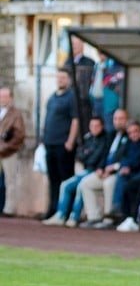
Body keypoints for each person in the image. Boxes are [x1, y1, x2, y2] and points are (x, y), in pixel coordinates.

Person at [42, 116, 110, 227]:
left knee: (81, 186)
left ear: (102, 126)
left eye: (97, 126)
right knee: (65, 185)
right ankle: (61, 215)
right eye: (92, 126)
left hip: (96, 171)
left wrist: (88, 154)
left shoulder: (105, 140)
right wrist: (87, 154)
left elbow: (96, 157)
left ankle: (74, 217)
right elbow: (80, 154)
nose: (94, 128)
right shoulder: (88, 138)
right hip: (87, 170)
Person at [90, 119, 140, 229]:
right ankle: (119, 213)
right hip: (127, 172)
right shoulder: (128, 143)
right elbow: (123, 158)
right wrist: (123, 166)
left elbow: (139, 159)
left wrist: (128, 167)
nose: (133, 134)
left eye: (136, 131)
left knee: (126, 183)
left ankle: (120, 210)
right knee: (122, 178)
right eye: (130, 132)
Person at [77, 109, 130, 228]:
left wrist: (114, 167)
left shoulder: (130, 136)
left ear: (127, 120)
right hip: (105, 172)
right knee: (86, 183)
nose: (118, 122)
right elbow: (104, 153)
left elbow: (129, 158)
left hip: (118, 173)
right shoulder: (110, 136)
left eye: (121, 119)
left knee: (109, 183)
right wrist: (101, 168)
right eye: (116, 119)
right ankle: (94, 217)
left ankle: (109, 218)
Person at [41, 69, 80, 220]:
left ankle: (66, 210)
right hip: (50, 143)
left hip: (63, 145)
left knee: (66, 179)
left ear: (69, 79)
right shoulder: (52, 97)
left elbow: (75, 120)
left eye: (63, 77)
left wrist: (70, 141)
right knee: (53, 179)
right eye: (58, 77)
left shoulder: (71, 97)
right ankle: (53, 209)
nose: (60, 80)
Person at [0, 86, 27, 217]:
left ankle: (9, 208)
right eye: (1, 96)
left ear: (10, 98)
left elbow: (19, 135)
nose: (2, 99)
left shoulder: (16, 114)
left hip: (8, 152)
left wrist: (5, 147)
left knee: (10, 181)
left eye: (5, 96)